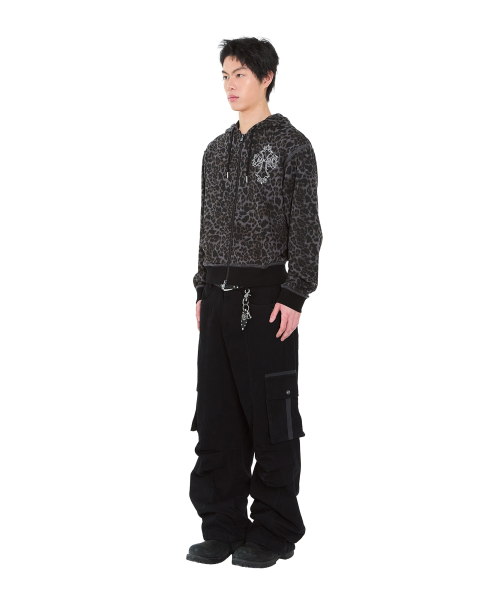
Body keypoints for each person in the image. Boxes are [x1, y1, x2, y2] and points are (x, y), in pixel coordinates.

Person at [187, 36, 323, 569]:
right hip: (217, 299)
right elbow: (206, 226)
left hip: (268, 300)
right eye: (224, 75)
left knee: (272, 418)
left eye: (240, 74)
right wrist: (201, 287)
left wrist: (295, 293)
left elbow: (306, 227)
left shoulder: (293, 147)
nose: (230, 85)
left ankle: (274, 529)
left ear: (266, 77)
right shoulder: (214, 151)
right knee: (216, 417)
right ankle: (222, 526)